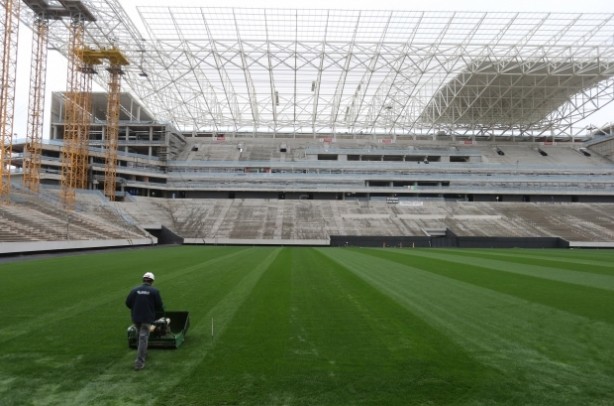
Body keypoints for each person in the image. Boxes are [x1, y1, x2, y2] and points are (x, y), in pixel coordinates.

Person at [125, 272, 164, 371]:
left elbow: (128, 303)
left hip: (136, 317)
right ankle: (139, 362)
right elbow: (159, 305)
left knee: (139, 336)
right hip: (147, 318)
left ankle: (143, 353)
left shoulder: (134, 290)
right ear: (152, 281)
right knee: (143, 338)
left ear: (143, 280)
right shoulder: (154, 291)